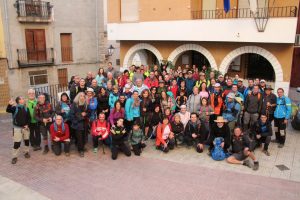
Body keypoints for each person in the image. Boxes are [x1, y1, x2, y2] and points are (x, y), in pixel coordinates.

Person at [6, 97, 31, 164]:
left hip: (26, 128)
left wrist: (27, 125)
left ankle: (26, 152)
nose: (24, 99)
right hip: (17, 128)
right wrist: (9, 104)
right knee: (17, 143)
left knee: (26, 141)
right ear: (19, 101)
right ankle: (14, 157)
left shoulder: (26, 108)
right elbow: (8, 110)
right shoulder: (15, 108)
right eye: (22, 98)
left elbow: (29, 118)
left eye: (23, 98)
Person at [69, 92, 88, 157]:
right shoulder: (74, 104)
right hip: (77, 124)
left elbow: (88, 112)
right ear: (78, 97)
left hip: (84, 123)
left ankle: (82, 146)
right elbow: (71, 115)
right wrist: (76, 121)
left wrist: (86, 114)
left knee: (84, 136)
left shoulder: (85, 104)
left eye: (83, 96)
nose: (82, 97)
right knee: (79, 137)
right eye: (81, 96)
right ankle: (80, 150)